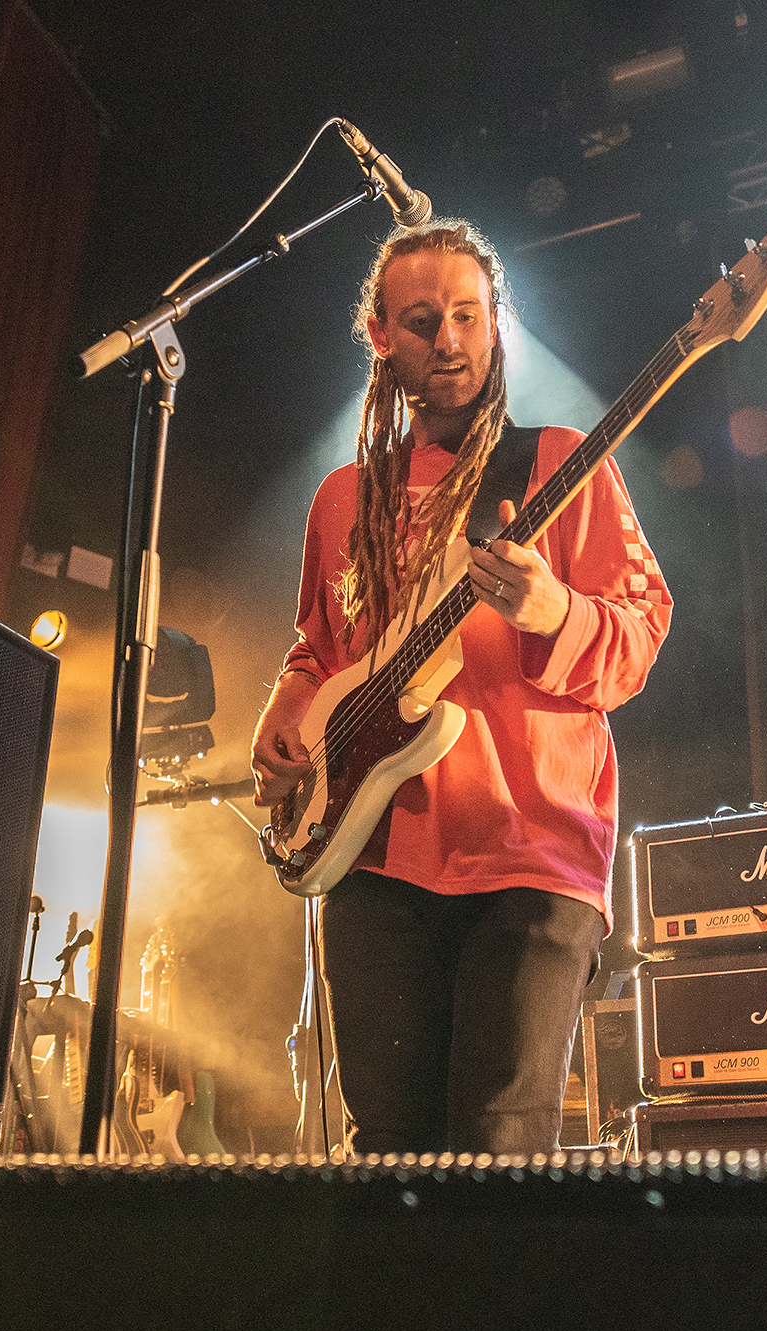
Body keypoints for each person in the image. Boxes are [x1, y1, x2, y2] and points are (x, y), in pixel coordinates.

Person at [250, 219, 671, 1157]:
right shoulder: (341, 497)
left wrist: (555, 610)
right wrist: (285, 713)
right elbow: (319, 649)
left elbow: (640, 639)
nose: (449, 340)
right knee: (389, 1148)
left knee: (495, 1146)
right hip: (371, 853)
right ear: (380, 335)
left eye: (468, 316)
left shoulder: (560, 462)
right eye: (423, 320)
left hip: (530, 850)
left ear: (497, 324)